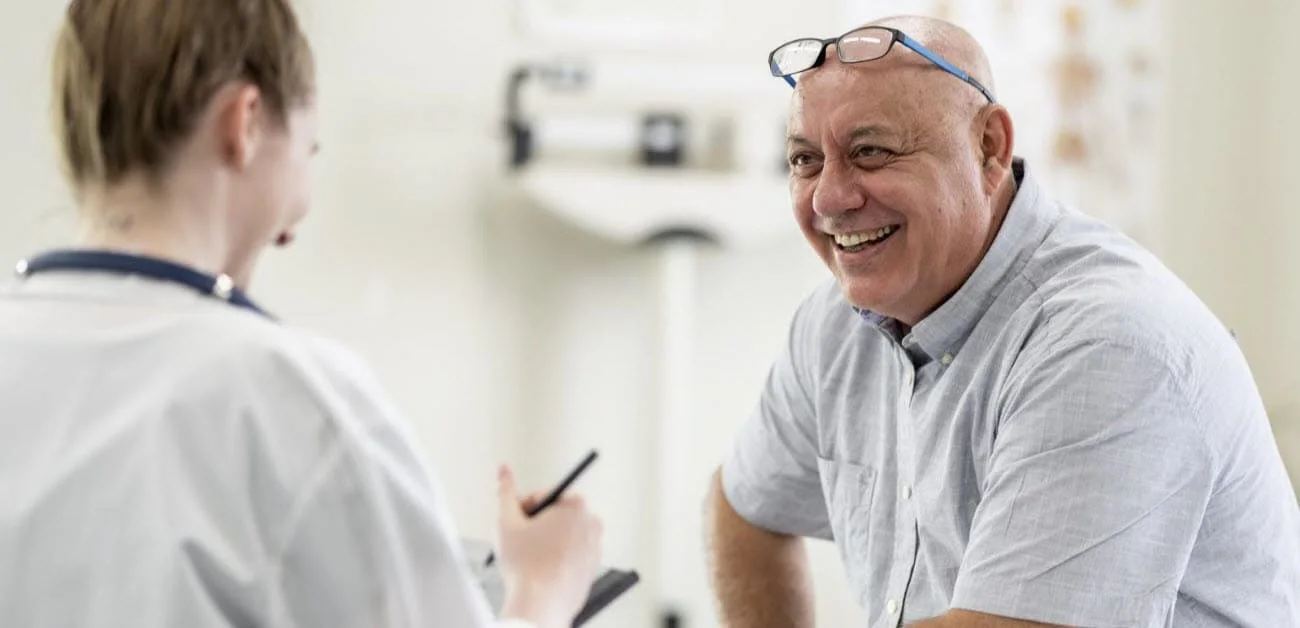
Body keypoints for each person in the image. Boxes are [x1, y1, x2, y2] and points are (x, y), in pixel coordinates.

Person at [0, 1, 602, 627]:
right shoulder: (288, 403)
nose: (296, 219)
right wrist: (542, 589)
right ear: (246, 123)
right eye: (309, 150)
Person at [705, 15, 1300, 628]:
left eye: (871, 152)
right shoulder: (836, 327)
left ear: (990, 147)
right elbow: (743, 507)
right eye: (805, 160)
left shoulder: (1105, 345)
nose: (830, 198)